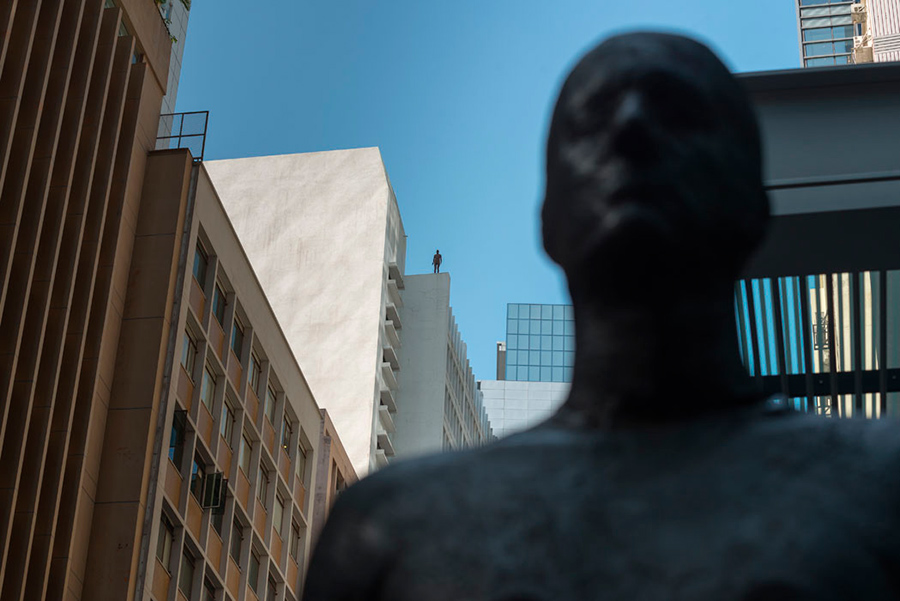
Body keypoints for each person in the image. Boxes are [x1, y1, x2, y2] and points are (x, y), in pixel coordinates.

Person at [302, 33, 900, 601]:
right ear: (547, 219)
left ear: (753, 207)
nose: (634, 128)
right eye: (594, 120)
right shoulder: (385, 532)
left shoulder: (882, 484)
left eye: (679, 114)